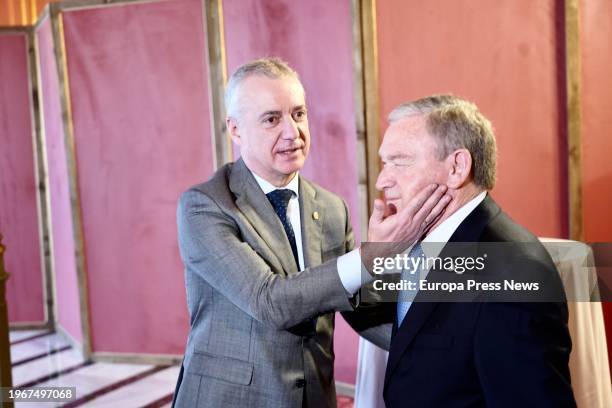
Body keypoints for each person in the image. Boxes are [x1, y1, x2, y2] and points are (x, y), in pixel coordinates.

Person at [172, 58, 448, 407]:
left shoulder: (332, 208)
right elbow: (270, 302)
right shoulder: (204, 205)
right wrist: (371, 257)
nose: (292, 132)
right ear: (236, 130)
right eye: (272, 119)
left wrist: (454, 337)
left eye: (298, 114)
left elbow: (363, 311)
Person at [353, 94, 576, 407]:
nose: (382, 180)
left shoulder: (513, 270)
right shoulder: (419, 244)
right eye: (383, 163)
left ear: (457, 167)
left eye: (399, 162)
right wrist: (374, 257)